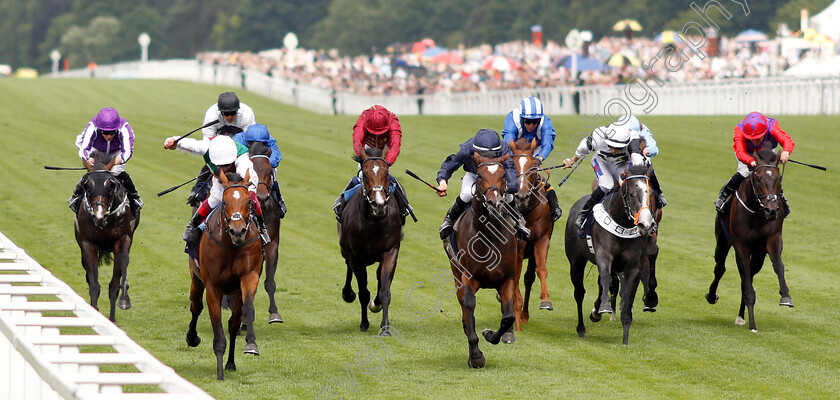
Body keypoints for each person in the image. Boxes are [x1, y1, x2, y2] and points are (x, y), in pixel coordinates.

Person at [163, 135, 269, 247]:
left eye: (227, 165)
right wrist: (173, 142)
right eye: (220, 166)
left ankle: (262, 228)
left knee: (250, 197)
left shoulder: (242, 160)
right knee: (214, 200)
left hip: (244, 179)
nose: (224, 168)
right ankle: (192, 224)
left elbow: (242, 185)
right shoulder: (205, 147)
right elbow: (187, 143)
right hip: (221, 179)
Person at [436, 128, 530, 241]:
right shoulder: (467, 149)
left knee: (508, 196)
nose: (487, 158)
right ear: (476, 151)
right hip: (474, 174)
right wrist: (442, 182)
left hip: (497, 176)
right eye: (484, 155)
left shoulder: (504, 149)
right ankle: (449, 220)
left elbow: (511, 171)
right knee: (467, 194)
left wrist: (509, 187)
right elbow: (449, 165)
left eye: (491, 155)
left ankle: (518, 222)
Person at [333, 105, 412, 223]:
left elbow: (395, 144)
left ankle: (403, 208)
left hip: (384, 152)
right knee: (361, 178)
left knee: (387, 178)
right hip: (366, 150)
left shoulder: (393, 120)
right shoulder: (364, 117)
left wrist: (387, 162)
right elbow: (357, 140)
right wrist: (363, 158)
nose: (377, 134)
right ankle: (341, 203)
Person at [562, 123, 644, 230]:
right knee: (607, 185)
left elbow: (638, 160)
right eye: (611, 146)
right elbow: (582, 148)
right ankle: (583, 214)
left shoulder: (633, 139)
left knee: (629, 186)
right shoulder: (597, 137)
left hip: (621, 164)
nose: (614, 151)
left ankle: (645, 212)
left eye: (618, 148)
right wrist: (572, 160)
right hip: (602, 162)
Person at [714, 111, 794, 214]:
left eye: (758, 138)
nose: (754, 141)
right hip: (746, 153)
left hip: (766, 151)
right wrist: (751, 161)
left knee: (770, 174)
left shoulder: (772, 126)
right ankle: (723, 196)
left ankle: (781, 197)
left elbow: (786, 140)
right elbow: (740, 152)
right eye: (751, 139)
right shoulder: (739, 131)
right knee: (744, 173)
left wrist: (786, 151)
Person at [69, 107, 143, 218]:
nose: (109, 136)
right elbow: (84, 148)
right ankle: (75, 195)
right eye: (105, 133)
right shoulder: (92, 126)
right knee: (93, 173)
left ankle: (135, 197)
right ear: (99, 129)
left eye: (112, 133)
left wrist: (114, 162)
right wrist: (88, 159)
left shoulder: (124, 128)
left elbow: (127, 152)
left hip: (116, 152)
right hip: (96, 150)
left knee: (117, 172)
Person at [187, 92, 257, 207]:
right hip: (217, 142)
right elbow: (208, 144)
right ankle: (198, 191)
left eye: (233, 113)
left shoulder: (247, 114)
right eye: (226, 114)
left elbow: (251, 139)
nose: (230, 117)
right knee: (210, 166)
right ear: (220, 112)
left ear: (237, 111)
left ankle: (277, 197)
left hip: (241, 144)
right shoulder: (211, 115)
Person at [501, 96, 563, 221]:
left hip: (535, 150)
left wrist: (538, 159)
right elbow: (508, 139)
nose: (531, 125)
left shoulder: (546, 123)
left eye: (535, 122)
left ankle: (553, 207)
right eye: (527, 121)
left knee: (533, 175)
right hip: (515, 149)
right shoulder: (512, 119)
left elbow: (547, 144)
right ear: (521, 118)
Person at [233, 123, 287, 218]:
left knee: (270, 174)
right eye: (253, 143)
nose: (257, 146)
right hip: (241, 167)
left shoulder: (270, 140)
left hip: (261, 169)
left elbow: (275, 160)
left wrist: (262, 162)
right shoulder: (238, 139)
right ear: (247, 141)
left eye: (261, 144)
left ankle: (278, 199)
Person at [626, 115, 667, 208]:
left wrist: (648, 150)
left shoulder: (643, 130)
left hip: (638, 157)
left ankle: (658, 194)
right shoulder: (617, 131)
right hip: (623, 157)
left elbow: (654, 148)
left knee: (649, 168)